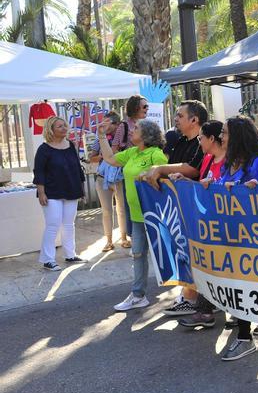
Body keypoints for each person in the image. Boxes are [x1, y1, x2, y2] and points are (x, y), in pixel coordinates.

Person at [207, 116, 258, 361]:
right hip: (230, 234)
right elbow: (223, 187)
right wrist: (209, 185)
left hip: (252, 238)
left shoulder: (257, 163)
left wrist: (256, 187)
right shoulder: (229, 164)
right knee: (238, 285)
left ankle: (245, 338)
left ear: (237, 136)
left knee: (245, 285)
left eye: (225, 133)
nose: (221, 137)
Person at [140, 100, 208, 317]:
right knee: (183, 249)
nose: (176, 119)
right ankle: (189, 296)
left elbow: (192, 169)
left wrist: (159, 168)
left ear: (194, 119)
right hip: (177, 210)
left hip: (197, 209)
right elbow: (173, 170)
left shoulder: (201, 142)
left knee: (193, 252)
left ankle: (194, 299)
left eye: (180, 115)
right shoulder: (179, 141)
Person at [97, 119, 168, 311]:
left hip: (155, 215)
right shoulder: (132, 152)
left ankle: (185, 295)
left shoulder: (156, 154)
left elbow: (165, 182)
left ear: (146, 134)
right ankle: (138, 295)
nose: (131, 131)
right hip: (137, 215)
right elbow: (110, 159)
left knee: (168, 254)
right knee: (138, 254)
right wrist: (102, 135)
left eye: (136, 128)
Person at [173, 120, 227, 328]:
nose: (199, 141)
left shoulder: (229, 161)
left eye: (201, 137)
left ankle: (209, 310)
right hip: (206, 223)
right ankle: (206, 310)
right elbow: (201, 186)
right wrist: (187, 183)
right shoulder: (206, 159)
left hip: (224, 224)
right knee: (206, 266)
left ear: (211, 139)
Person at [33, 117, 87, 271]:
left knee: (69, 224)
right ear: (51, 130)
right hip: (51, 192)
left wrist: (81, 189)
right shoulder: (43, 149)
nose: (64, 128)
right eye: (60, 126)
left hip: (71, 189)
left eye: (65, 125)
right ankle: (47, 259)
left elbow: (77, 168)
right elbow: (39, 172)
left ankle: (70, 255)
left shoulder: (70, 145)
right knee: (53, 224)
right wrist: (41, 192)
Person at [111, 95, 149, 248]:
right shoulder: (124, 126)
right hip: (131, 172)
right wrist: (127, 158)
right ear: (135, 108)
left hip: (146, 169)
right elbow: (114, 147)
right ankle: (134, 237)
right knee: (130, 204)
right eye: (144, 106)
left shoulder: (146, 124)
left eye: (147, 106)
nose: (147, 109)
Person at [89, 111, 126, 252]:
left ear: (116, 124)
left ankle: (124, 238)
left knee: (122, 209)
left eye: (107, 123)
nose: (103, 126)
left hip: (119, 178)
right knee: (106, 210)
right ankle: (109, 241)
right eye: (102, 122)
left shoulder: (124, 138)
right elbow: (91, 158)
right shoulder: (99, 139)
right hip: (102, 178)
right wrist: (104, 155)